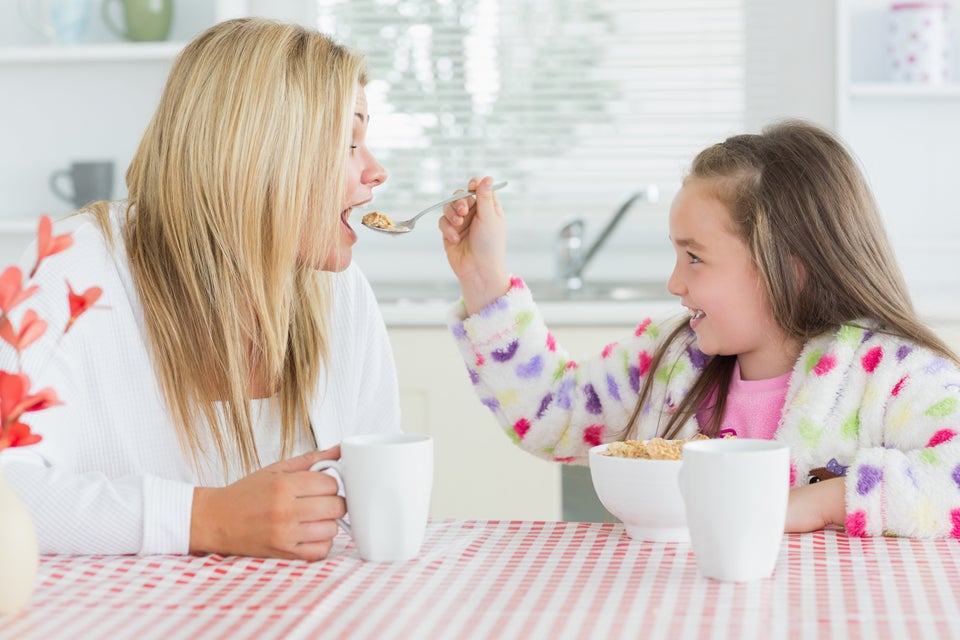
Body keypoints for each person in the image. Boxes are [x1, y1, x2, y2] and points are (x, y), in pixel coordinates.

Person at [439, 121, 960, 538]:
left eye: (694, 258)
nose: (674, 282)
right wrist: (484, 278)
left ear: (790, 268)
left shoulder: (888, 376)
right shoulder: (667, 361)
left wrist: (828, 501)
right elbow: (552, 414)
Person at [0, 18, 399, 560]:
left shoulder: (341, 293)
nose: (376, 171)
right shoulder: (76, 267)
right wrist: (204, 519)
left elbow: (377, 491)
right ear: (261, 152)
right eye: (347, 143)